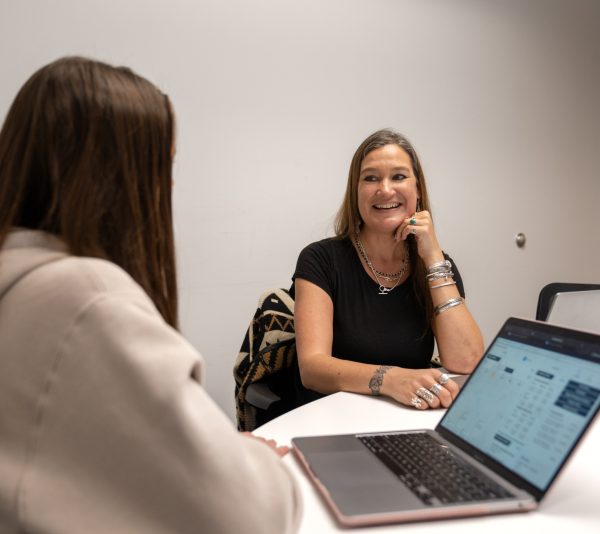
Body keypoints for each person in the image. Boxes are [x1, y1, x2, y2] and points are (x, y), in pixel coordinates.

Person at [0, 57, 300, 534]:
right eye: (164, 165)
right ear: (119, 178)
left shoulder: (21, 281)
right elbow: (243, 517)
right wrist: (249, 466)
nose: (170, 184)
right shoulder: (88, 301)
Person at [292, 129, 484, 411]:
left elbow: (466, 361)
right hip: (331, 416)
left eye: (398, 176)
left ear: (417, 190)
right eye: (371, 178)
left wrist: (432, 257)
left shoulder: (437, 265)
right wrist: (389, 379)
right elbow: (312, 368)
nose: (385, 189)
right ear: (355, 192)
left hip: (408, 418)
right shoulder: (320, 259)